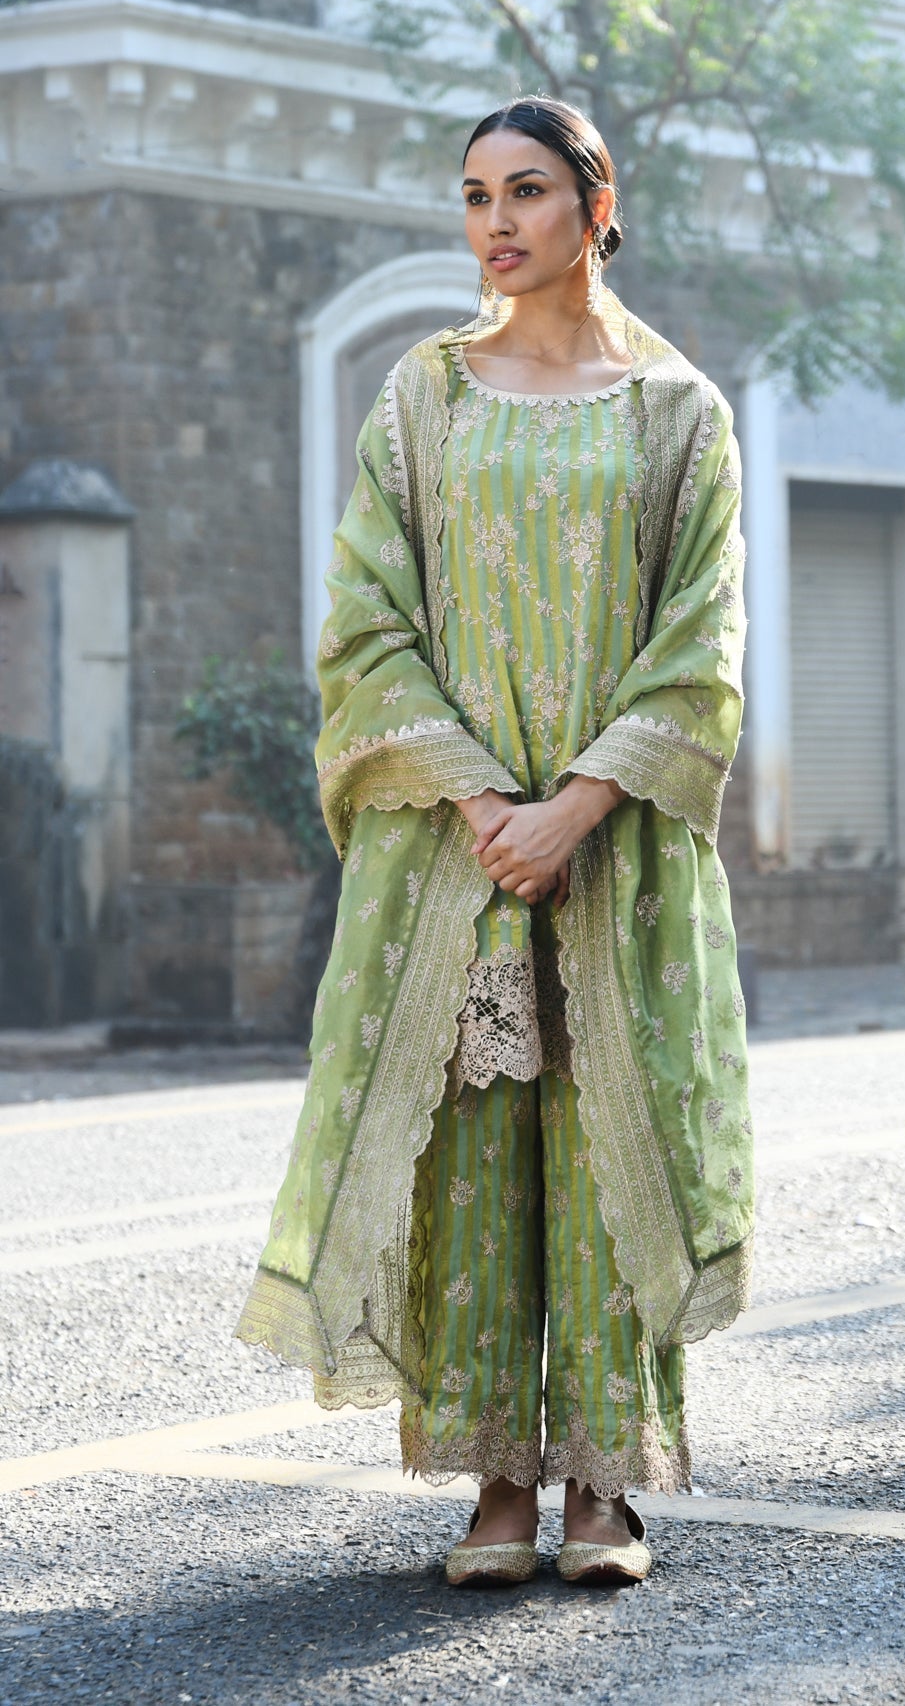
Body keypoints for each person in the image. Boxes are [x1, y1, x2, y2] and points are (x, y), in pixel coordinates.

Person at [236, 96, 753, 1587]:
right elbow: (366, 622)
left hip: (614, 852)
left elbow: (699, 641)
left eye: (527, 191)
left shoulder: (678, 414)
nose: (495, 223)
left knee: (608, 1144)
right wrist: (482, 807)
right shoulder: (422, 399)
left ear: (599, 204)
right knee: (467, 1148)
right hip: (456, 853)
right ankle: (497, 1486)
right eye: (473, 197)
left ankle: (604, 1487)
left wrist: (579, 807)